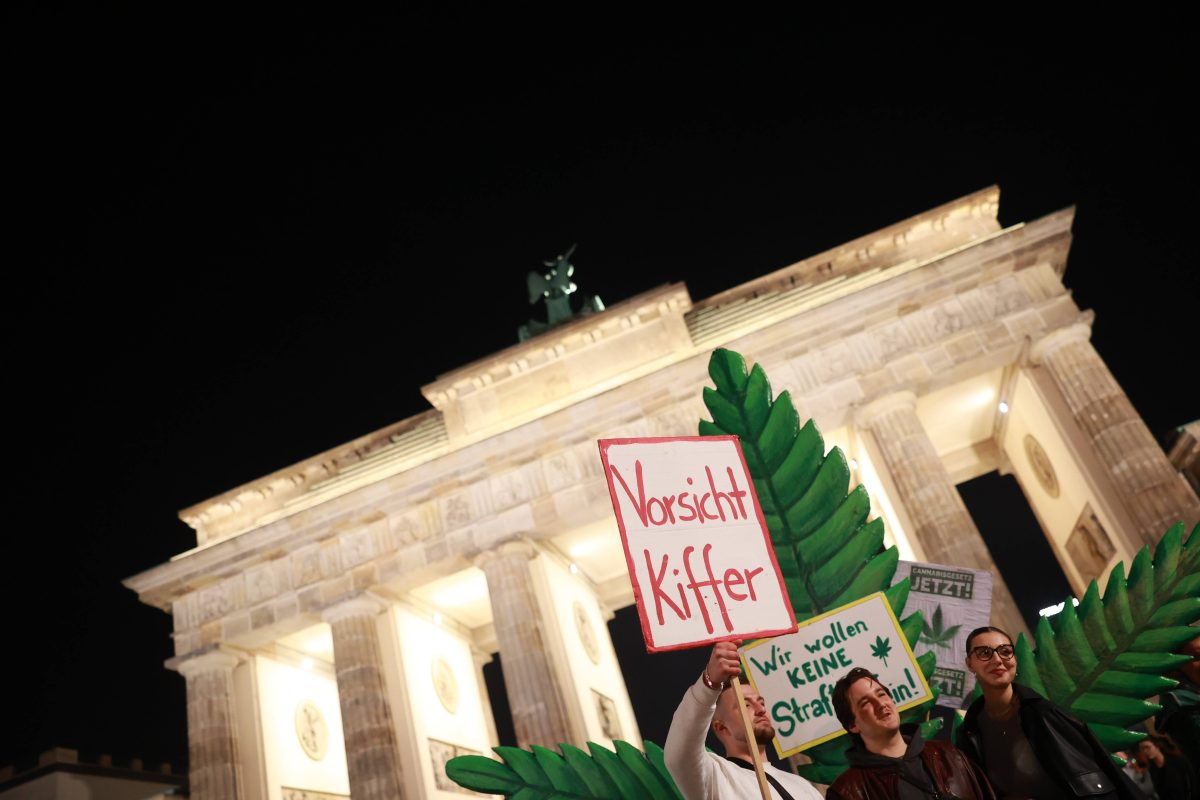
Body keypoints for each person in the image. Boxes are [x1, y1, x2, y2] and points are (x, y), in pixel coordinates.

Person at [955, 626, 1141, 799]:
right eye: (985, 653)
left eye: (1005, 651)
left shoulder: (1045, 714)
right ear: (969, 663)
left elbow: (1097, 776)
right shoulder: (970, 731)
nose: (998, 660)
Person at [665, 639, 823, 800]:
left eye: (761, 703)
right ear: (721, 728)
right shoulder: (715, 778)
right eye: (746, 705)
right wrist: (709, 683)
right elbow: (679, 756)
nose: (761, 710)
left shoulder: (802, 786)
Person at [825, 666, 996, 800]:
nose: (881, 703)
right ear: (853, 725)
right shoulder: (847, 792)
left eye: (882, 694)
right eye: (865, 703)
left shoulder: (948, 754)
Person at [1135, 735, 1197, 799]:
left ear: (1156, 746)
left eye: (1147, 747)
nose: (1145, 751)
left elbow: (1192, 782)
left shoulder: (1177, 760)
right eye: (1142, 749)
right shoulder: (1152, 769)